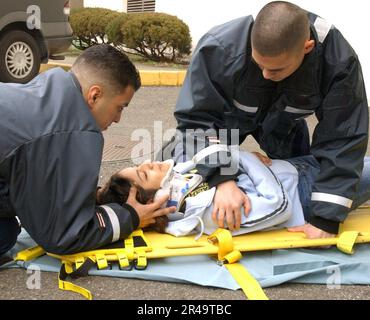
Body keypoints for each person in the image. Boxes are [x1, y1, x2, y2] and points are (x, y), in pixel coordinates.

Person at [160, 1, 369, 239]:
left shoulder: (338, 63)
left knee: (302, 181)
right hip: (228, 123)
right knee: (180, 155)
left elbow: (343, 137)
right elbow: (196, 121)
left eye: (276, 69)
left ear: (307, 47)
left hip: (285, 124)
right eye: (258, 64)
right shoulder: (220, 49)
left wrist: (326, 219)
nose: (266, 75)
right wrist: (222, 179)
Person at [0, 44, 175, 259]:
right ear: (94, 96)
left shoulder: (48, 91)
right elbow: (63, 236)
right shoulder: (72, 129)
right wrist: (131, 216)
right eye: (120, 107)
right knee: (5, 234)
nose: (118, 118)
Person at [98, 149, 370, 238]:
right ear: (155, 201)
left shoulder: (179, 179)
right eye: (143, 174)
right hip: (310, 194)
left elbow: (210, 152)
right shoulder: (203, 212)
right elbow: (278, 205)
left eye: (138, 166)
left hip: (299, 166)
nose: (146, 164)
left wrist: (227, 171)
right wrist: (242, 159)